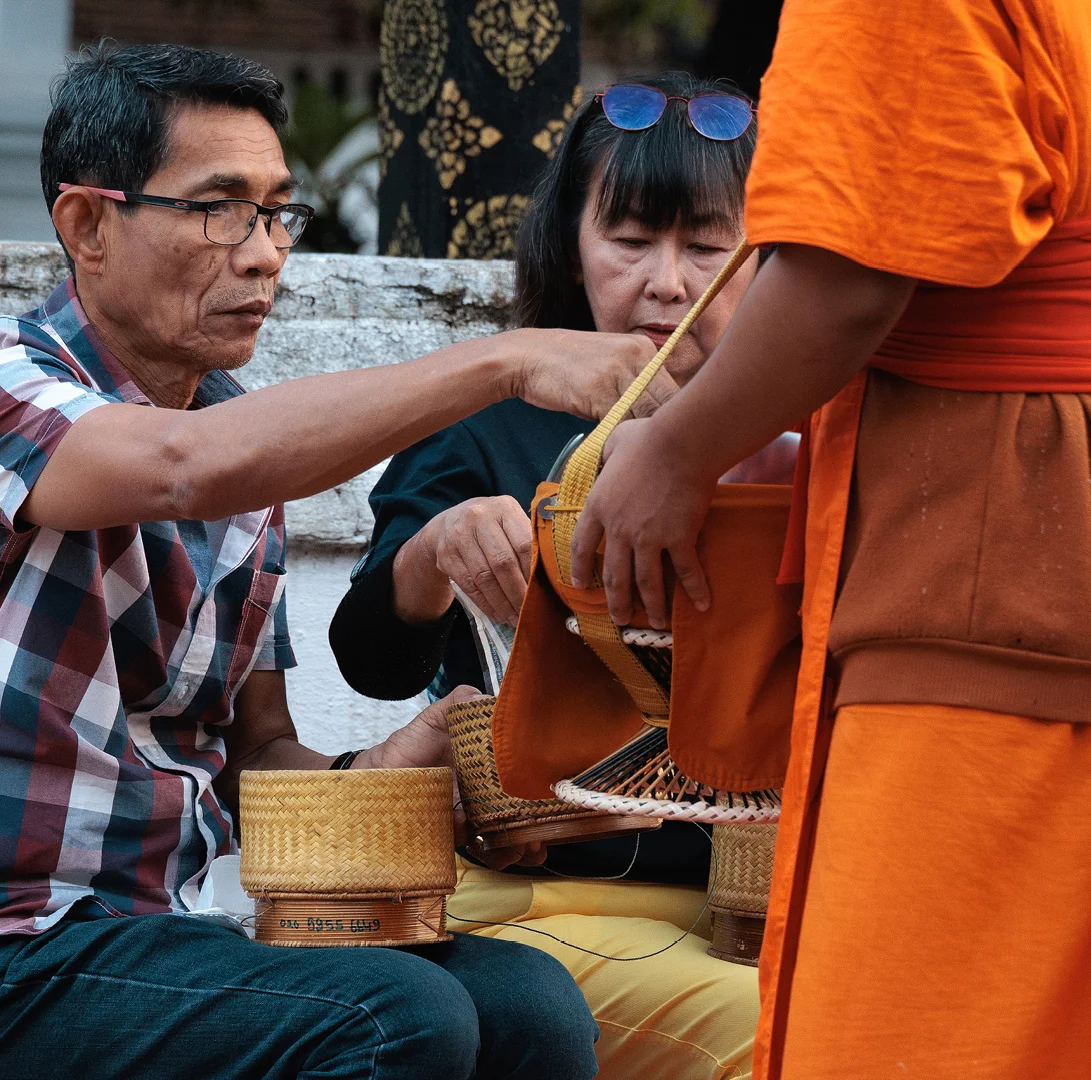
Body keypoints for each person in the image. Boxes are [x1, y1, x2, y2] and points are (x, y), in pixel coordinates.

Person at [0, 42, 678, 1080]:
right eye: (219, 209)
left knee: (533, 1007)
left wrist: (399, 765)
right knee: (403, 1016)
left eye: (276, 213)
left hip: (176, 932)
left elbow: (257, 762)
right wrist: (508, 359)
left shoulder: (245, 452)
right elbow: (178, 468)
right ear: (87, 224)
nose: (262, 254)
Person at [566, 2, 1091, 1078]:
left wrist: (675, 454)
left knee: (901, 1033)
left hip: (973, 551)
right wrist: (1064, 434)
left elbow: (850, 282)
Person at [329, 72, 767, 1080]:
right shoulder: (489, 422)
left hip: (754, 903)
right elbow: (372, 659)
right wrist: (434, 554)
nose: (667, 281)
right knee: (785, 1031)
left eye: (707, 247)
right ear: (569, 241)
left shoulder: (805, 441)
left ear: (766, 260)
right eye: (630, 240)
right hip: (533, 899)